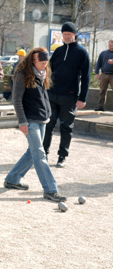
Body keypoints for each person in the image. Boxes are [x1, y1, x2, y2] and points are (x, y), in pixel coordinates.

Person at [4, 48, 67, 202]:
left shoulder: (42, 73)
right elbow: (16, 99)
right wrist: (22, 121)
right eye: (42, 63)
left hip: (42, 118)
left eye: (46, 63)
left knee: (32, 153)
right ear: (34, 60)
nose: (44, 66)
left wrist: (48, 113)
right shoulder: (22, 74)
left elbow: (42, 96)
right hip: (29, 120)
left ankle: (12, 179)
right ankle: (50, 190)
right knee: (39, 154)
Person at [42, 22, 90, 168]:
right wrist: (45, 90)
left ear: (75, 35)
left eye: (69, 34)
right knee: (48, 125)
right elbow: (48, 71)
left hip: (69, 96)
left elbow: (86, 77)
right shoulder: (58, 51)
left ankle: (62, 156)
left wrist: (82, 98)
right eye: (64, 34)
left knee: (66, 127)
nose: (66, 37)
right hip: (52, 94)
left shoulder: (82, 53)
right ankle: (43, 153)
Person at [94, 38, 113, 111]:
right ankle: (100, 107)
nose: (111, 47)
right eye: (110, 45)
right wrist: (97, 73)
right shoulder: (103, 53)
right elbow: (98, 63)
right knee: (102, 91)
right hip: (104, 74)